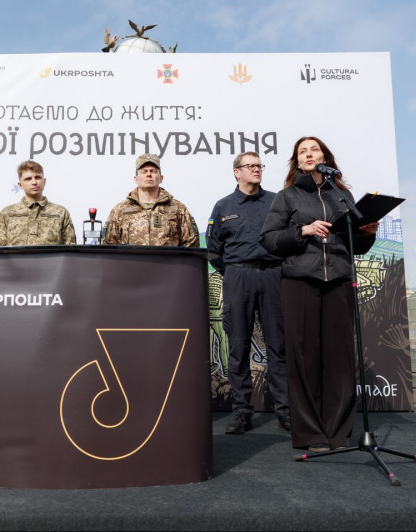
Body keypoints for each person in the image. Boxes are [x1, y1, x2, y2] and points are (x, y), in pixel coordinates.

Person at [259, 136, 379, 452]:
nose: (309, 154)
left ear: (325, 157)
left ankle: (337, 433)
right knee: (305, 358)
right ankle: (310, 434)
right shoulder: (287, 197)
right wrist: (303, 230)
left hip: (338, 279)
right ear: (297, 162)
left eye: (315, 149)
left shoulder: (343, 196)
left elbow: (356, 246)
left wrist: (368, 233)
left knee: (340, 359)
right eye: (303, 151)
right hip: (300, 282)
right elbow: (269, 240)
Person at [206, 152, 289, 435]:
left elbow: (287, 239)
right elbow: (214, 250)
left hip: (272, 275)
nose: (256, 169)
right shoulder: (223, 206)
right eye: (250, 166)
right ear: (236, 172)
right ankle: (242, 411)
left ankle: (285, 411)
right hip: (238, 277)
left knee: (278, 345)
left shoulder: (277, 201)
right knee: (238, 346)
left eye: (259, 165)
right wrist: (232, 272)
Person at [103, 153, 199, 246]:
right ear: (136, 179)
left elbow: (191, 244)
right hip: (131, 258)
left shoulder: (178, 209)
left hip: (168, 258)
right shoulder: (120, 210)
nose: (148, 174)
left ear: (161, 178)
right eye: (144, 171)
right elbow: (108, 246)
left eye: (153, 171)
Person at [0, 160, 76, 246]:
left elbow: (70, 249)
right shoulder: (7, 213)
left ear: (44, 181)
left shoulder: (60, 212)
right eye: (28, 179)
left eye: (38, 177)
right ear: (20, 185)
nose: (34, 182)